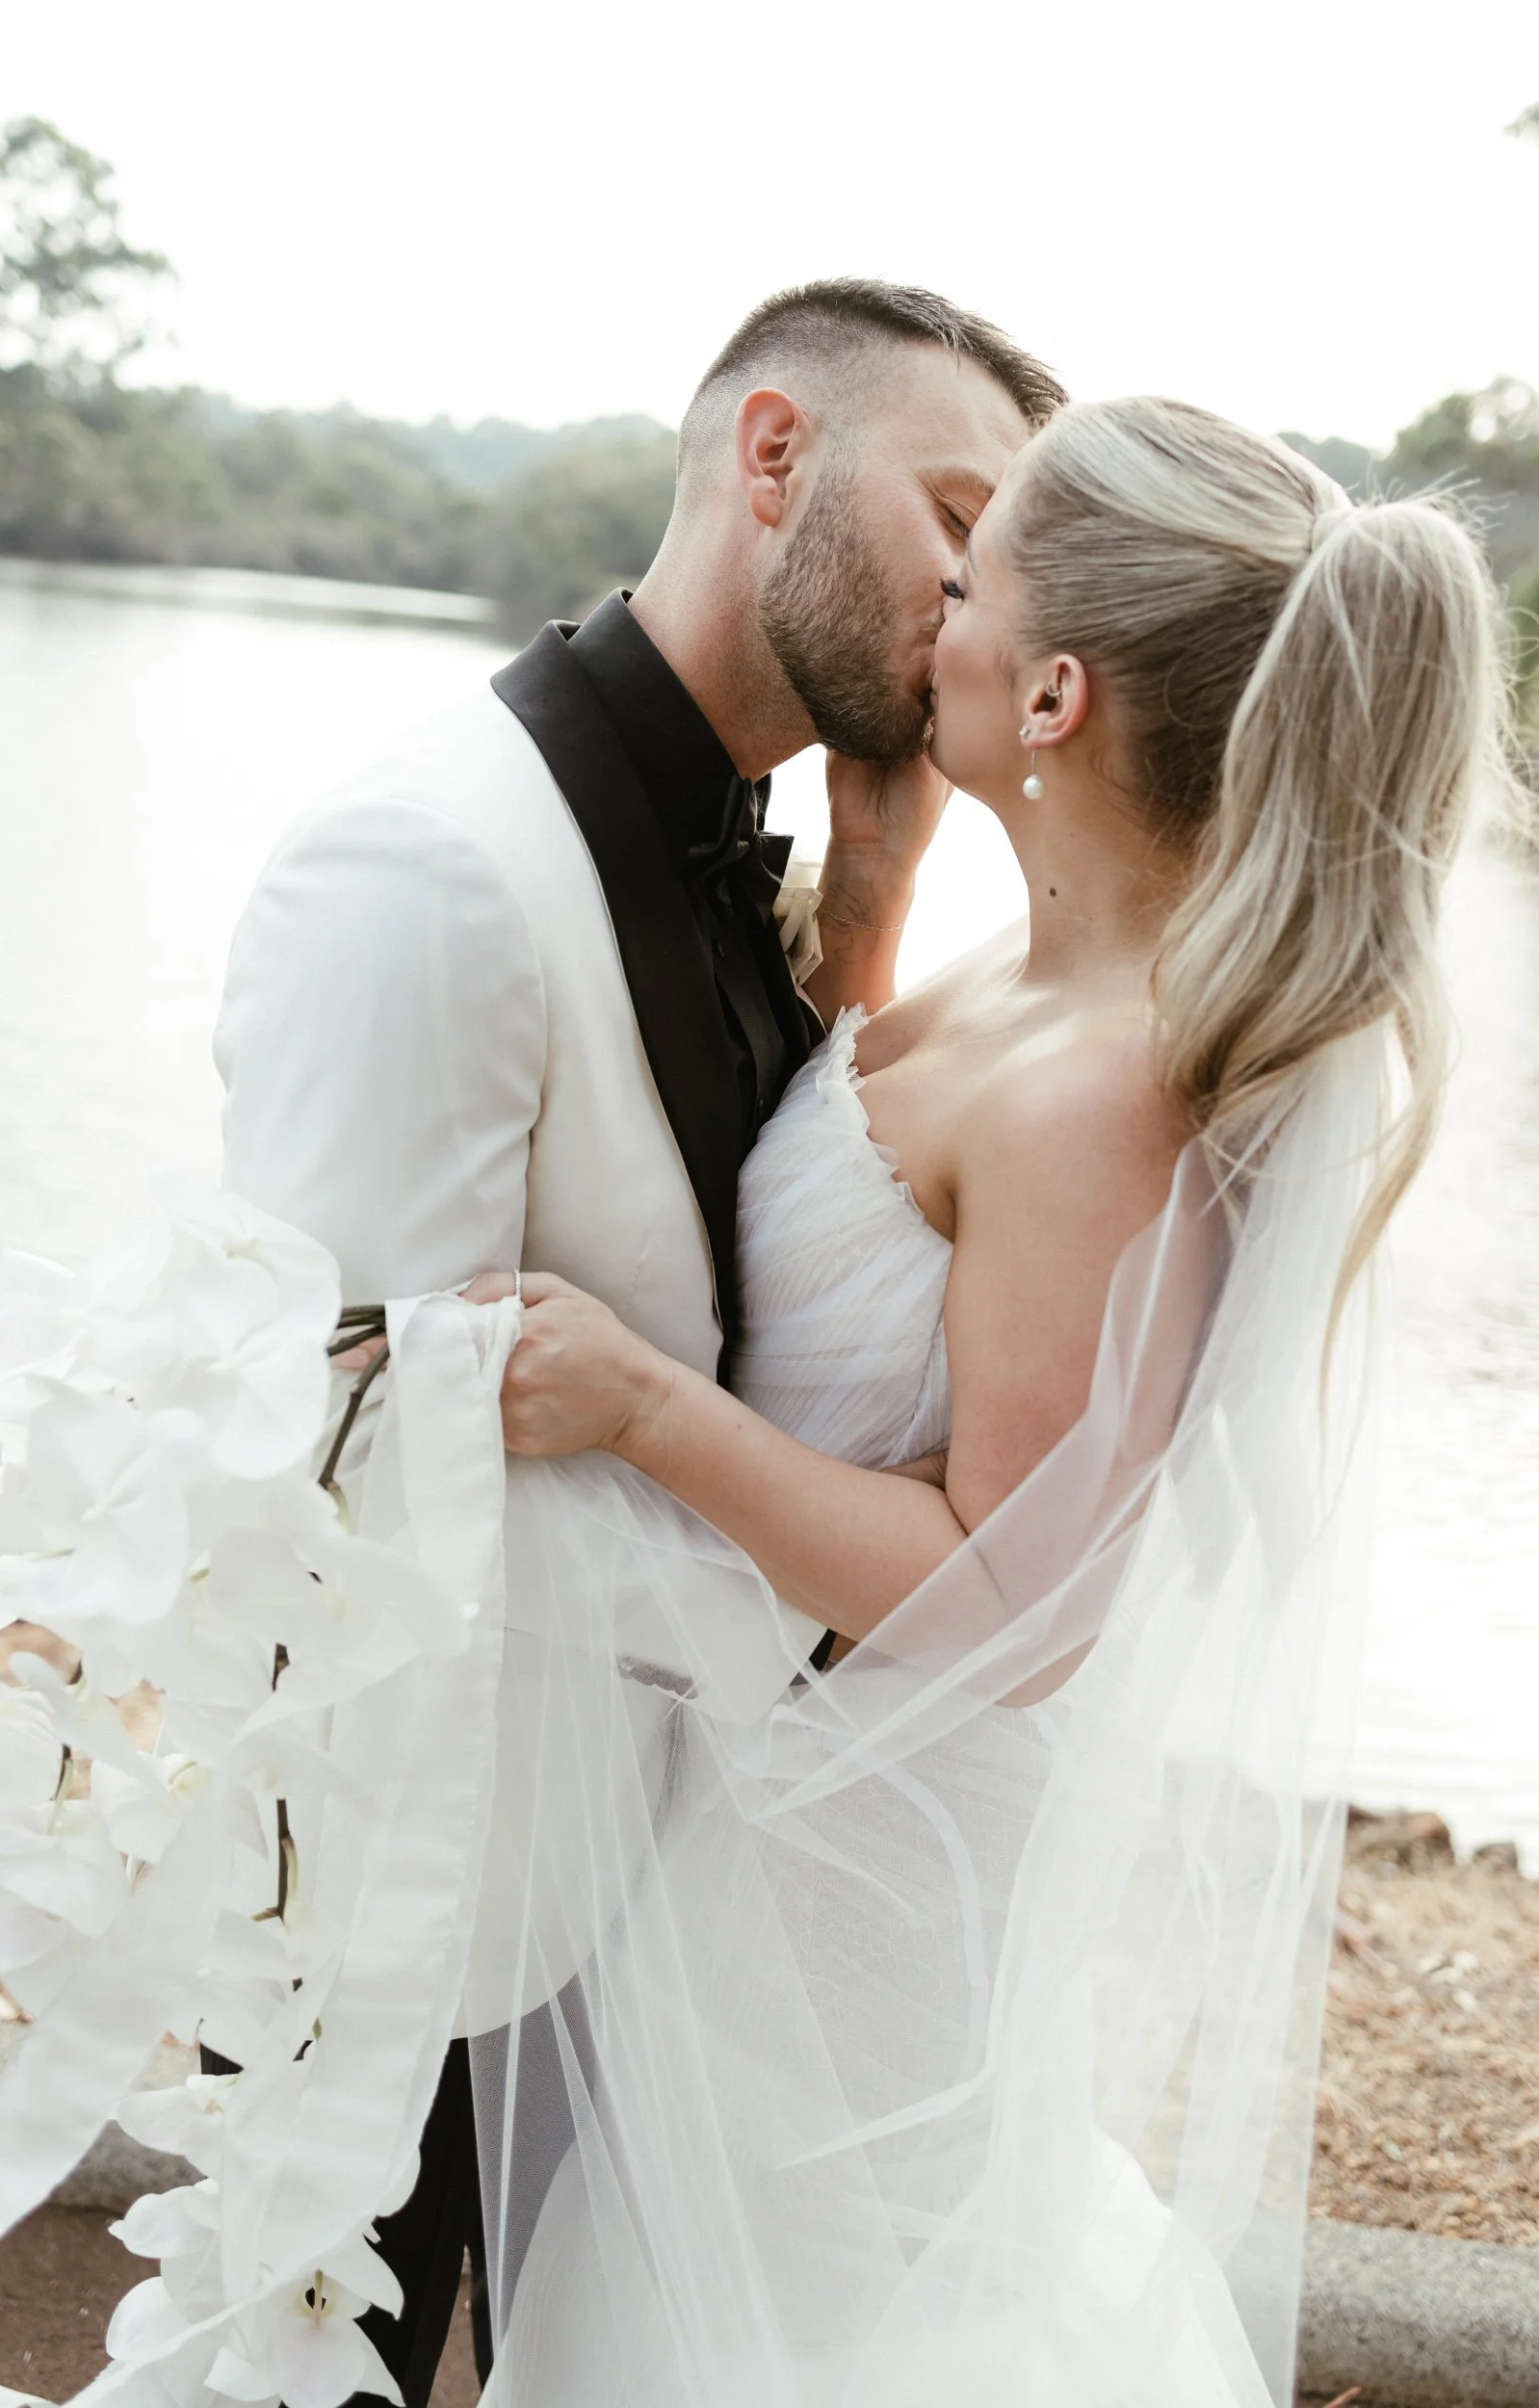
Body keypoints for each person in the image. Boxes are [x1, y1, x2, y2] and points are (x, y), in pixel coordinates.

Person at [444, 397, 1508, 2402]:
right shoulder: (1032, 977)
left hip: (855, 1885)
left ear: (1052, 692)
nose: (928, 606)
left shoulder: (1101, 1088)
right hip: (768, 1800)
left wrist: (641, 1405)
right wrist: (867, 903)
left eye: (972, 574)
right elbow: (894, 1292)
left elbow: (1017, 1603)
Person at [210, 278, 1064, 2399]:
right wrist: (832, 1582)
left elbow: (760, 1270)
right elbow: (347, 1456)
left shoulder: (783, 858)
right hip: (410, 1897)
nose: (975, 598)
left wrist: (859, 920)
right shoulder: (433, 858)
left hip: (652, 1897)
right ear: (772, 456)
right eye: (956, 519)